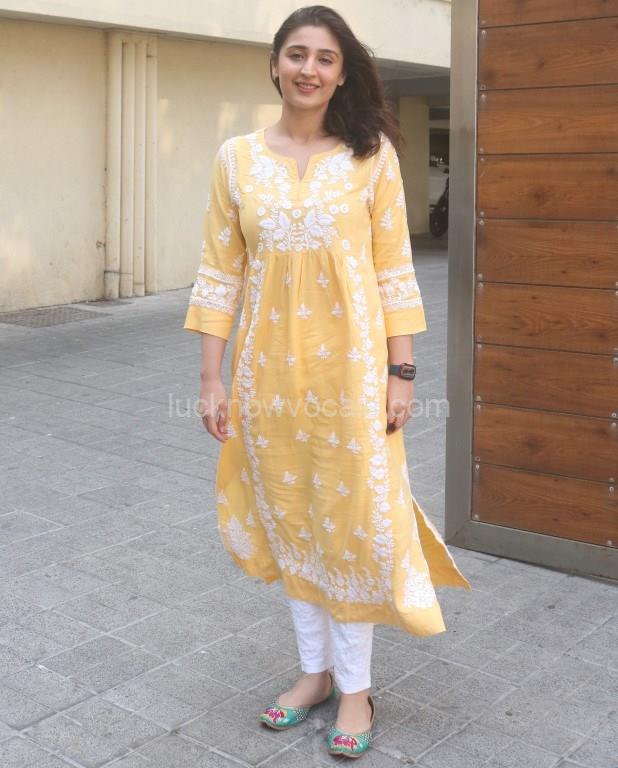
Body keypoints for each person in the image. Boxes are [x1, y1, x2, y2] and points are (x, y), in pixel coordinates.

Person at [184, 4, 472, 758]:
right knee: (291, 517)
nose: (308, 69)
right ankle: (314, 673)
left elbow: (394, 271)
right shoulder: (237, 160)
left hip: (352, 376)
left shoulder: (371, 158)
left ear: (343, 74)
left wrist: (401, 373)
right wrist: (211, 379)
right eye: (296, 54)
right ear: (275, 63)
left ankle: (356, 689)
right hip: (267, 378)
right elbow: (220, 273)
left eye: (324, 58)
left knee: (352, 524)